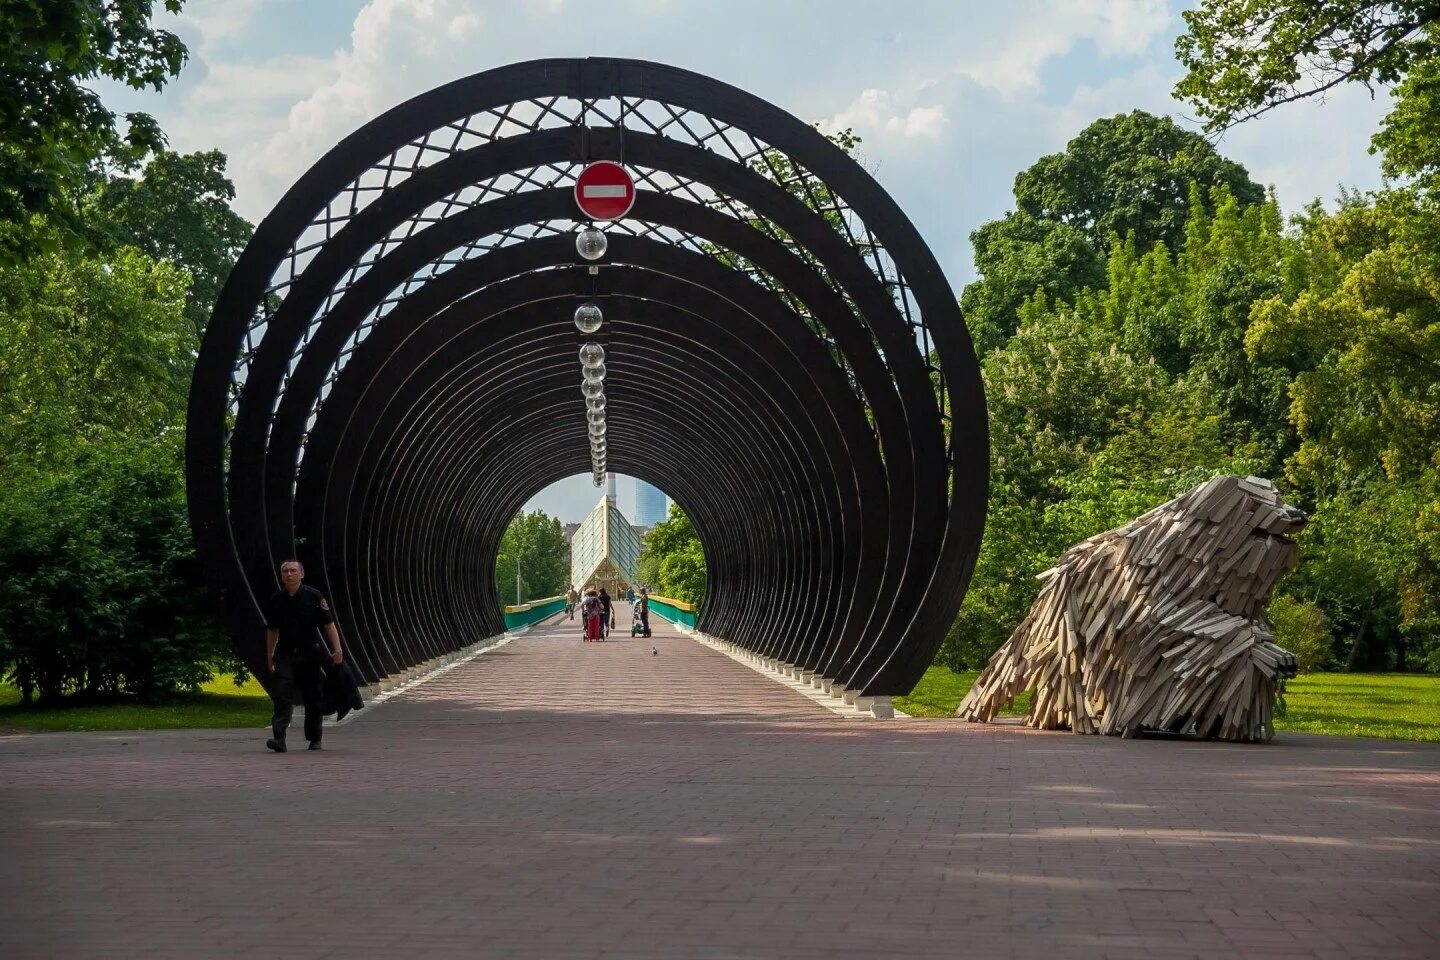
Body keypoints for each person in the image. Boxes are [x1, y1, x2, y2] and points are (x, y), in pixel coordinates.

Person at [264, 559, 343, 753]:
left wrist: (338, 649)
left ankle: (315, 738)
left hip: (310, 655)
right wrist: (270, 654)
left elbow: (328, 624)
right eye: (285, 571)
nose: (288, 574)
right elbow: (272, 630)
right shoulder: (277, 600)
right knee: (282, 695)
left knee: (312, 697)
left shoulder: (314, 596)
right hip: (285, 655)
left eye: (292, 571)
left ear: (301, 574)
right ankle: (279, 738)